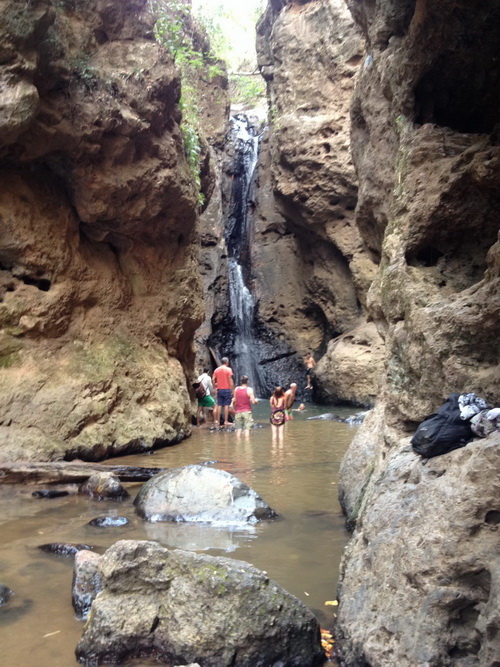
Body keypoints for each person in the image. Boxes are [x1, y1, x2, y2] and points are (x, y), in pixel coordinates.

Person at [212, 357, 234, 427]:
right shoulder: (228, 369)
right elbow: (230, 380)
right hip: (227, 389)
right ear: (227, 362)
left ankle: (218, 421)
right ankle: (226, 421)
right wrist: (233, 390)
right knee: (226, 405)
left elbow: (213, 379)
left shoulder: (216, 370)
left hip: (219, 390)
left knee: (219, 405)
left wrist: (215, 387)